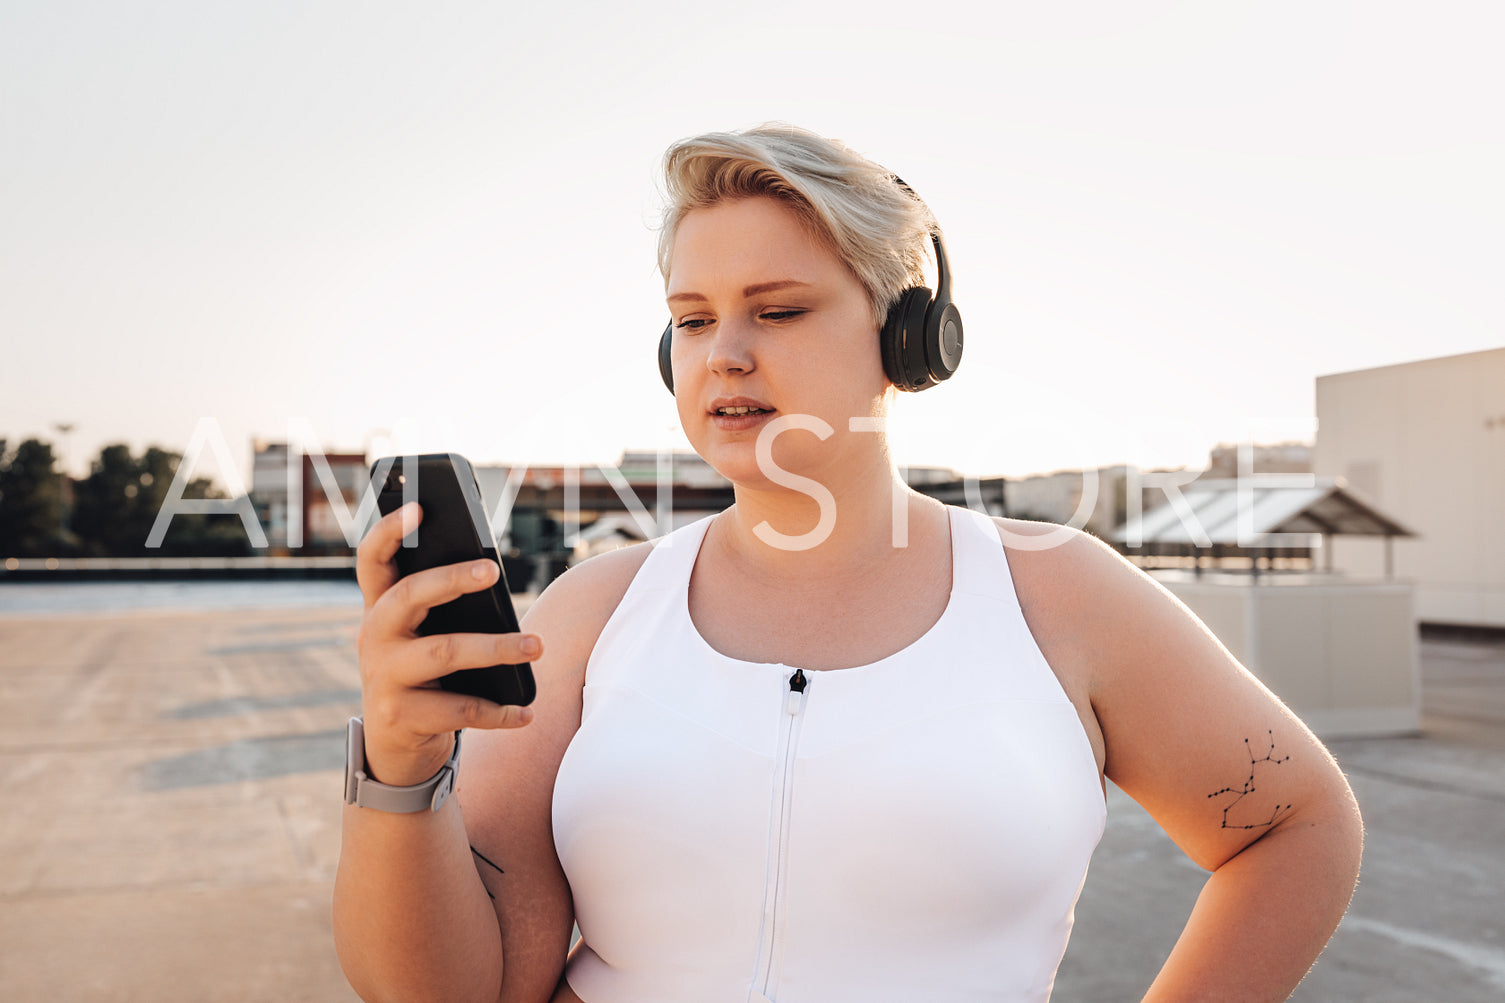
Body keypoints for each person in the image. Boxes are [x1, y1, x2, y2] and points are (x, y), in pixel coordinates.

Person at [334, 123, 1363, 1003]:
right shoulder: (593, 611)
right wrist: (400, 767)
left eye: (775, 309)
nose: (721, 354)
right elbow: (461, 988)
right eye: (691, 320)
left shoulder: (1059, 592)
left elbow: (1296, 825)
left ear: (907, 335)